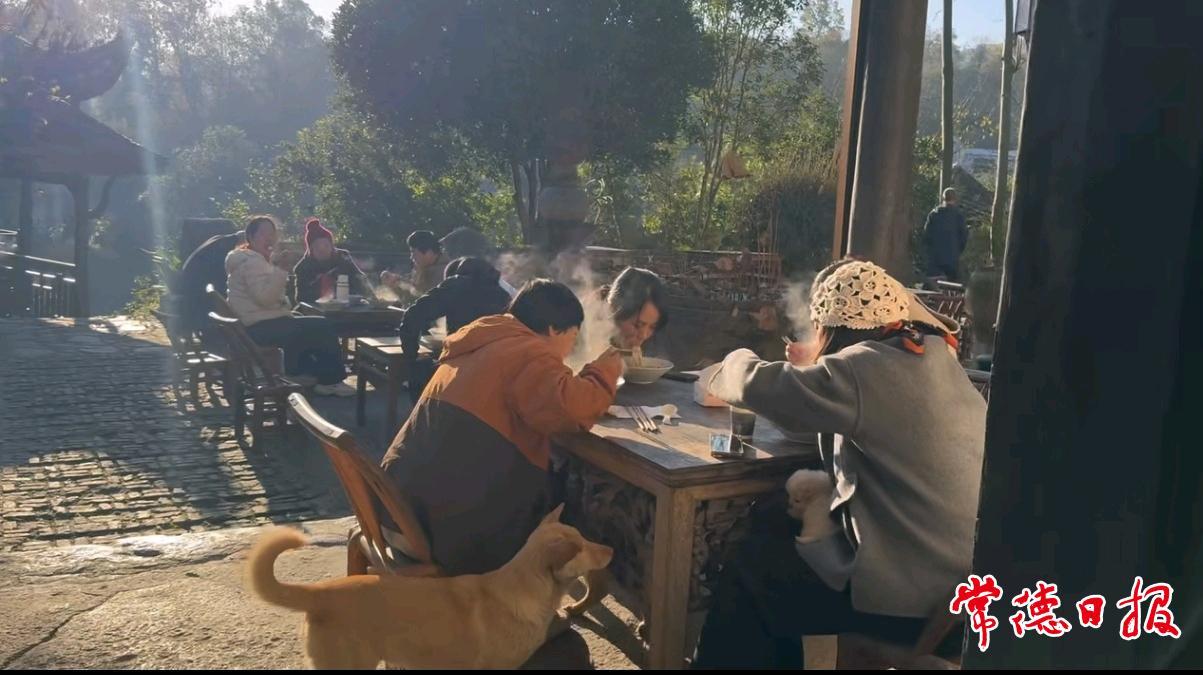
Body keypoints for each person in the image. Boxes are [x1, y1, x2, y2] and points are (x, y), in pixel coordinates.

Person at [692, 258, 985, 669]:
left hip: (913, 601)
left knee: (752, 571)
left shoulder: (867, 365)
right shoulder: (933, 356)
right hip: (966, 590)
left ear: (830, 328)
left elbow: (762, 386)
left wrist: (732, 360)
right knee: (776, 529)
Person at [380, 279, 623, 575]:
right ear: (553, 329)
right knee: (564, 493)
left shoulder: (483, 341)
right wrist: (604, 370)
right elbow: (571, 409)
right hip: (436, 529)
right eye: (572, 337)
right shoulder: (527, 352)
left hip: (396, 510)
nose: (571, 348)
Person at [223, 215, 354, 397]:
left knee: (302, 322)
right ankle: (330, 380)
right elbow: (265, 299)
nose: (270, 238)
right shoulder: (251, 262)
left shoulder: (252, 259)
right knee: (322, 325)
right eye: (264, 234)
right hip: (257, 328)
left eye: (272, 233)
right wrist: (282, 270)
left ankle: (303, 373)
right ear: (250, 237)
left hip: (252, 324)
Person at [398, 256, 513, 403]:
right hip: (502, 366)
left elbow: (413, 315)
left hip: (462, 365)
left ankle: (424, 413)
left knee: (420, 370)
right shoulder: (503, 292)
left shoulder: (457, 284)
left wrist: (411, 355)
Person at [176, 230, 242, 335]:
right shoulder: (224, 248)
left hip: (189, 284)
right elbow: (222, 277)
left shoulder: (219, 240)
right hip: (197, 291)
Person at [290, 218, 369, 304]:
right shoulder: (303, 267)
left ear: (332, 246)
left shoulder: (343, 257)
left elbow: (361, 280)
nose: (322, 250)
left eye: (326, 245)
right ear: (311, 250)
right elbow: (301, 298)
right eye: (317, 246)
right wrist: (322, 284)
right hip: (316, 308)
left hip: (347, 305)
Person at [922, 187, 969, 283]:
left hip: (935, 258)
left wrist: (929, 251)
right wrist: (958, 251)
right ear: (955, 199)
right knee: (952, 285)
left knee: (933, 284)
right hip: (952, 257)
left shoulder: (934, 214)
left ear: (943, 198)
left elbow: (927, 235)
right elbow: (963, 237)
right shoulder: (958, 216)